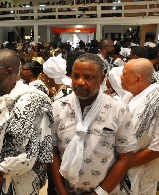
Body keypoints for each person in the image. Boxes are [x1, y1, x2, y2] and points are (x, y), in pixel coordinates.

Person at [49, 53, 137, 194]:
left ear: (101, 78)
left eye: (88, 77)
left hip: (104, 191)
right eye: (76, 76)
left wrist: (99, 193)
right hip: (66, 190)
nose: (80, 82)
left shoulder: (118, 110)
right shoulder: (58, 108)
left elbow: (125, 158)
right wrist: (61, 191)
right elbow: (52, 152)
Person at [0, 49, 53, 194]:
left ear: (9, 72)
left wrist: (1, 171)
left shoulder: (33, 101)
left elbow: (42, 152)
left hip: (20, 181)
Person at [121, 58, 159, 195]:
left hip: (146, 175)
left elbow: (156, 149)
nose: (120, 77)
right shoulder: (128, 98)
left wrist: (122, 165)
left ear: (137, 79)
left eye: (124, 74)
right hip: (125, 172)